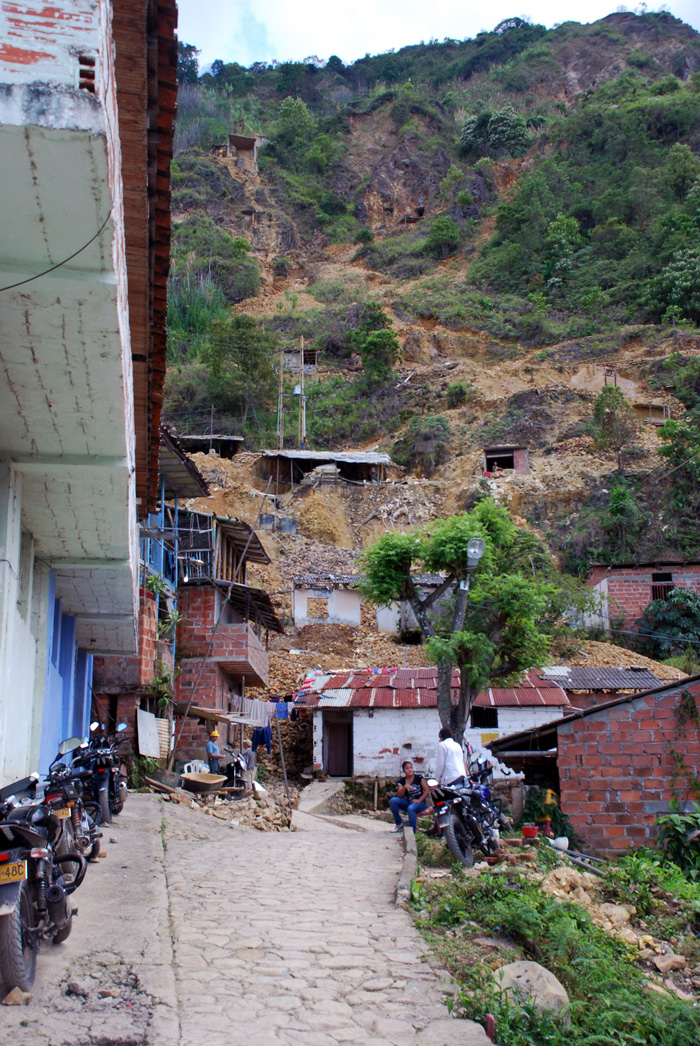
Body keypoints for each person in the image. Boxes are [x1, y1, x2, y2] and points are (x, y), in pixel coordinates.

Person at [389, 760, 430, 833]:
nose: (410, 770)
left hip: (420, 803)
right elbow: (399, 795)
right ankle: (398, 824)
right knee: (393, 800)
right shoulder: (402, 781)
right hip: (408, 802)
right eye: (407, 768)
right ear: (403, 771)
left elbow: (427, 790)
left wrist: (419, 800)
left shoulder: (419, 778)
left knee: (411, 808)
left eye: (411, 767)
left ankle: (412, 832)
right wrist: (404, 787)